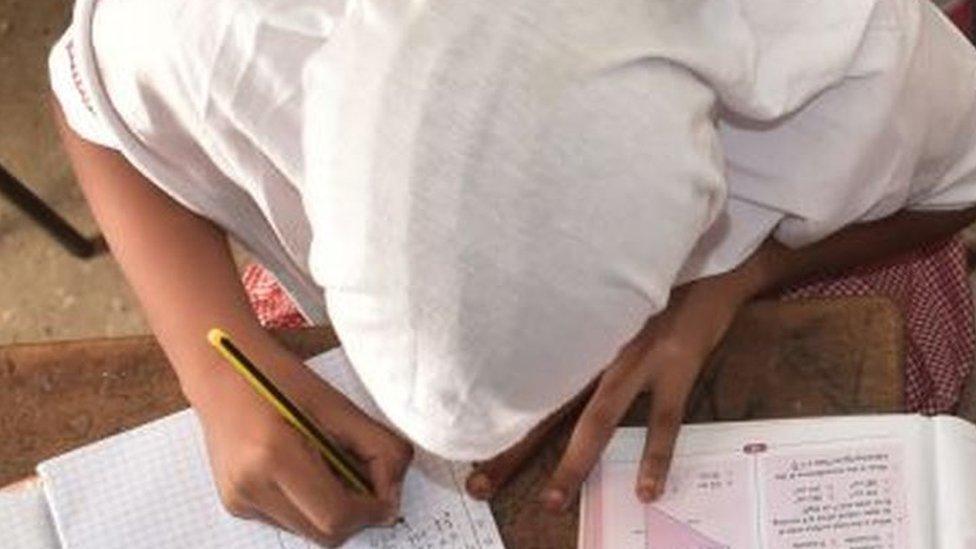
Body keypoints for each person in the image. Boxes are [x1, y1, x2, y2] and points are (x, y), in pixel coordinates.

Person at [49, 0, 976, 544]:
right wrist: (216, 368)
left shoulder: (838, 47)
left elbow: (958, 179)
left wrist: (734, 278)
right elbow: (89, 105)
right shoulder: (212, 30)